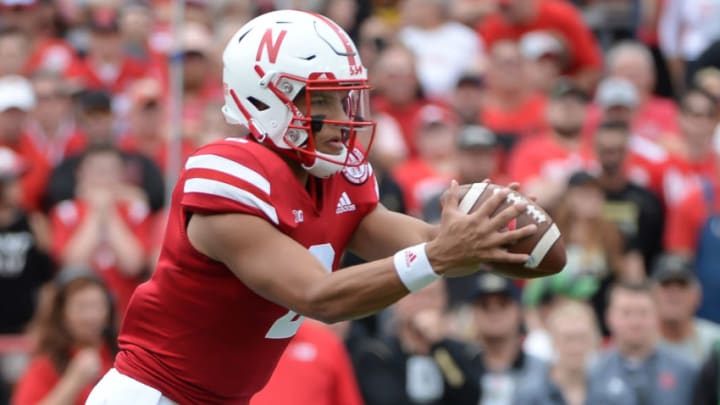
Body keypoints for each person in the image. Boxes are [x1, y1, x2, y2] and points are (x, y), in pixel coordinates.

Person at [86, 10, 538, 405]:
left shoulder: (336, 178)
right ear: (265, 98)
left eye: (343, 98)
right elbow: (318, 297)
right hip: (150, 395)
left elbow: (427, 242)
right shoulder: (230, 176)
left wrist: (488, 236)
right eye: (320, 99)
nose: (341, 115)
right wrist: (439, 256)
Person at [11, 270, 117, 405]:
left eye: (98, 306)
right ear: (62, 313)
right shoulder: (46, 363)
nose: (91, 316)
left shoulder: (121, 356)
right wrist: (73, 382)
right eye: (82, 307)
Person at [586, 281, 697, 405]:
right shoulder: (592, 372)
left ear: (657, 315)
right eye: (626, 313)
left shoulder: (686, 371)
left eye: (643, 313)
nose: (635, 322)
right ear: (609, 316)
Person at [651, 254, 720, 366]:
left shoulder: (715, 343)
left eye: (682, 285)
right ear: (651, 295)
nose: (673, 293)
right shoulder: (638, 343)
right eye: (666, 284)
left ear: (698, 296)